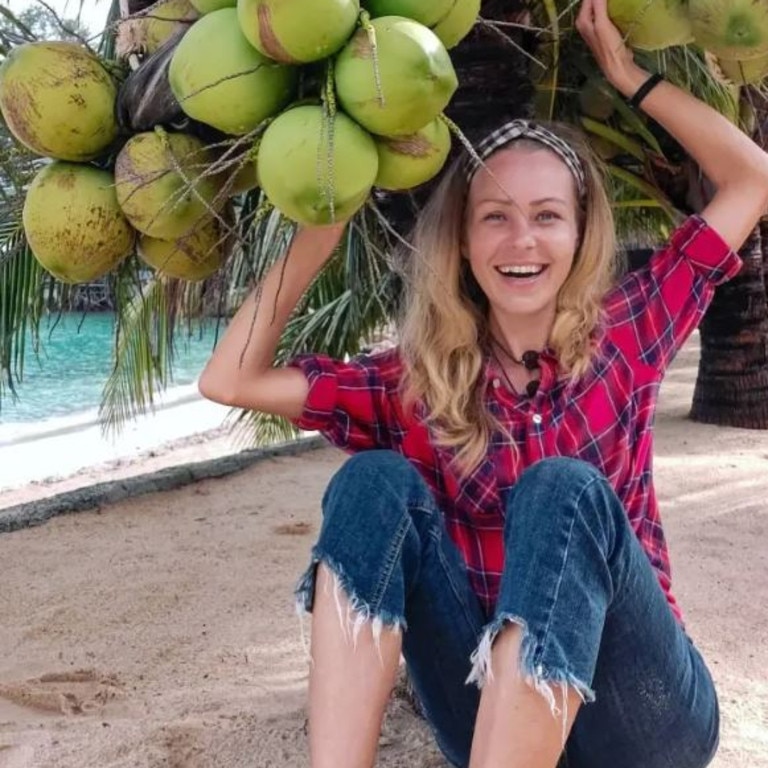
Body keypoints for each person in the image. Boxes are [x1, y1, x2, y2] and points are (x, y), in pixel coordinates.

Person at [198, 1, 768, 765]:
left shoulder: (627, 330)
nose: (522, 238)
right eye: (495, 217)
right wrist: (320, 226)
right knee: (369, 484)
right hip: (489, 718)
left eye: (546, 215)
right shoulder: (415, 381)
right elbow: (229, 379)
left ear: (579, 232)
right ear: (462, 243)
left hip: (642, 721)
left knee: (561, 490)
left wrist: (630, 78)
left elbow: (751, 177)